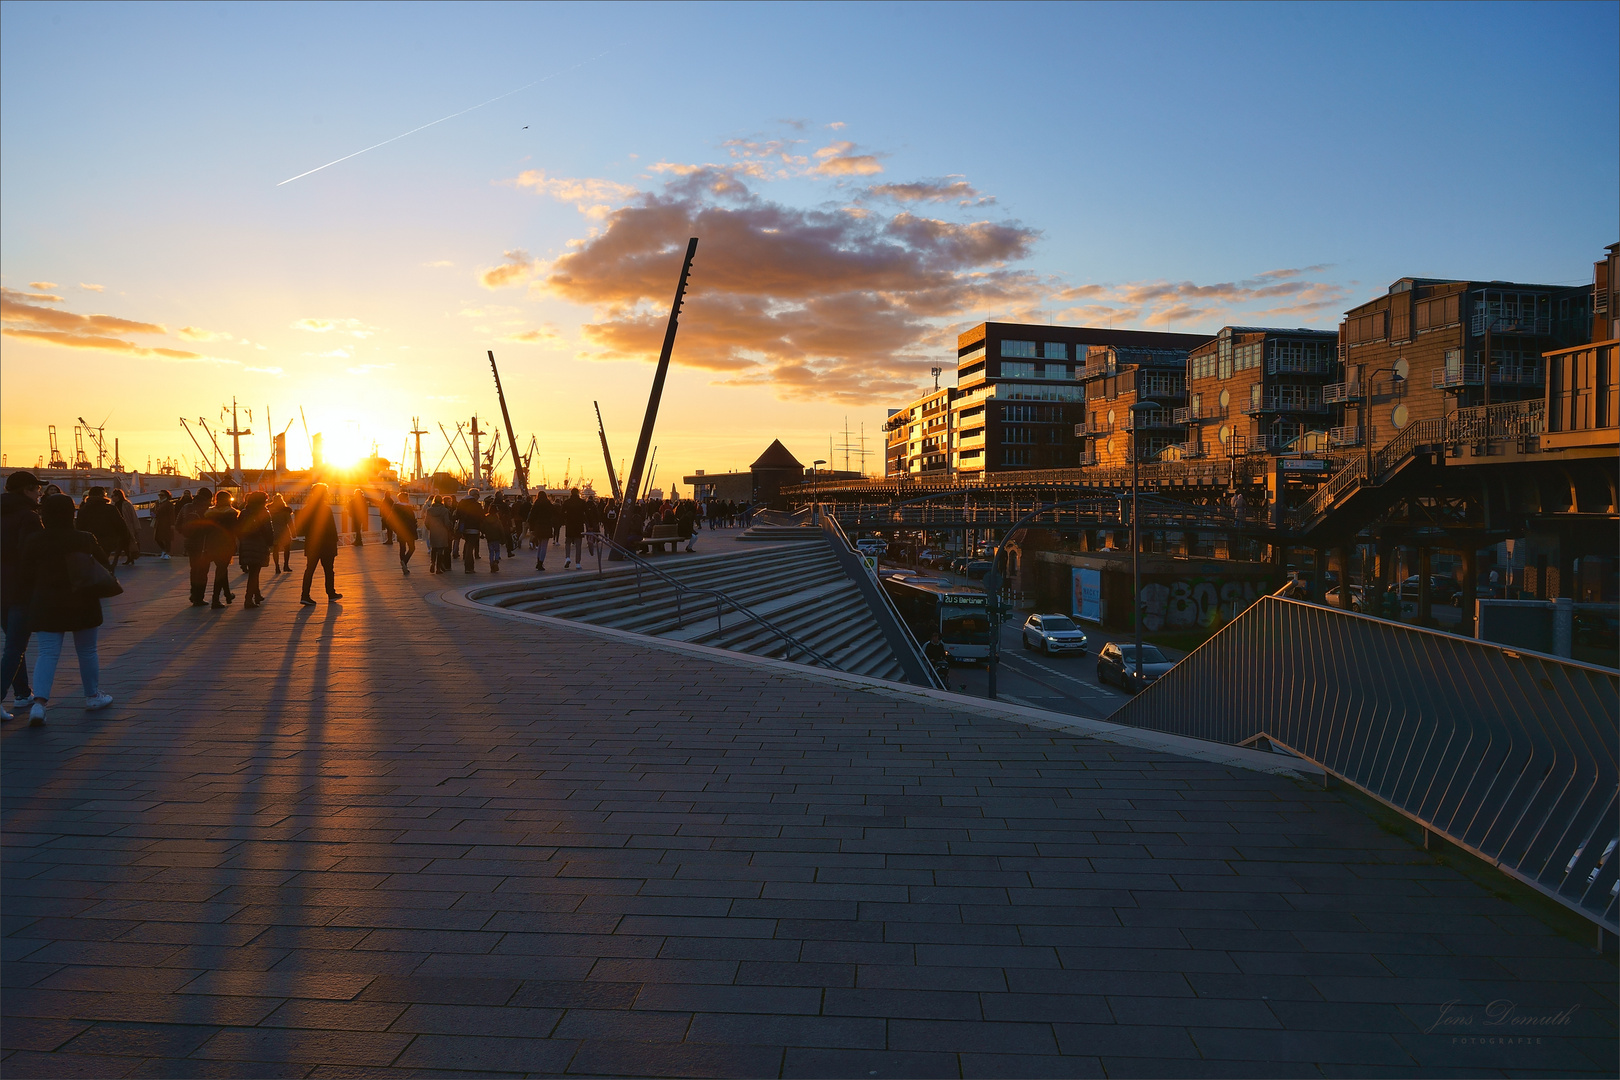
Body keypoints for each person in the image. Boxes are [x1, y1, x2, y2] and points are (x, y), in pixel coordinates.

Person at [19, 493, 114, 724]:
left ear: (45, 514)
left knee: (47, 653)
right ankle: (92, 696)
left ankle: (39, 705)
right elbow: (104, 564)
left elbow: (25, 574)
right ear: (72, 513)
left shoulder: (34, 540)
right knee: (87, 651)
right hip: (83, 602)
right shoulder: (84, 538)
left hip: (46, 603)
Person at [1, 471, 44, 721]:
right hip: (20, 588)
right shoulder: (28, 517)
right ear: (27, 489)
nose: (39, 492)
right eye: (36, 488)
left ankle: (22, 694)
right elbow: (33, 554)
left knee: (13, 645)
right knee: (15, 646)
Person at [297, 483, 342, 604]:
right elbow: (331, 529)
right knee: (328, 570)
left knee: (309, 570)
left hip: (312, 544)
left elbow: (302, 528)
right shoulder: (326, 509)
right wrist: (335, 543)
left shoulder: (307, 509)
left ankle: (305, 595)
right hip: (326, 544)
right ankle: (331, 593)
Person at [75, 487, 131, 576]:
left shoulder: (83, 510)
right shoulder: (110, 509)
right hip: (108, 541)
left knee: (93, 563)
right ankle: (104, 577)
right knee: (104, 562)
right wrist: (125, 538)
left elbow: (79, 527)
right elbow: (121, 526)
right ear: (103, 495)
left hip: (89, 541)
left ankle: (95, 578)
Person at [202, 490, 240, 608]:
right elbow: (236, 530)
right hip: (226, 544)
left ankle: (228, 595)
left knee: (221, 569)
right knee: (221, 570)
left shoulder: (209, 513)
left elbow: (206, 530)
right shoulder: (232, 514)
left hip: (212, 544)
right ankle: (215, 599)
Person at [235, 492, 273, 607]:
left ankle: (257, 594)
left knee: (253, 570)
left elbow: (238, 529)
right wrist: (270, 542)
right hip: (259, 544)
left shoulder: (244, 513)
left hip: (246, 544)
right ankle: (248, 598)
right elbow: (268, 530)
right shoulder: (264, 512)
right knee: (254, 573)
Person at [177, 488, 213, 606]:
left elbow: (178, 524)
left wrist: (187, 533)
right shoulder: (208, 509)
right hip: (204, 543)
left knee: (194, 569)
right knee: (203, 571)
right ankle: (199, 597)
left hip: (190, 543)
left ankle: (193, 594)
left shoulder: (186, 507)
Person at [385, 494, 417, 576]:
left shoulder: (395, 508)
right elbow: (413, 520)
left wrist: (396, 530)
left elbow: (389, 520)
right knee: (412, 548)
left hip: (400, 531)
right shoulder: (408, 508)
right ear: (405, 499)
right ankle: (404, 562)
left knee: (402, 548)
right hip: (409, 531)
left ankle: (404, 566)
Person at [110, 489, 141, 565]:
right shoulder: (113, 505)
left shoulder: (127, 504)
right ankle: (130, 558)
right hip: (117, 528)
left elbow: (133, 516)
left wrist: (136, 528)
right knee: (125, 544)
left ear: (118, 496)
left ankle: (116, 560)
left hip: (127, 528)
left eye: (113, 496)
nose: (112, 498)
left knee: (122, 544)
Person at [455, 489, 484, 573]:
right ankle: (469, 567)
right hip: (474, 528)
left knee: (468, 544)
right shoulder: (476, 505)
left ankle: (468, 565)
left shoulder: (461, 503)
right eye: (478, 495)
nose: (478, 497)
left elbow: (457, 515)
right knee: (470, 547)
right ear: (475, 495)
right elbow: (481, 517)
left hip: (464, 528)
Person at [425, 496, 454, 574]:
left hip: (433, 531)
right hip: (442, 531)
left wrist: (430, 528)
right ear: (441, 501)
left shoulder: (429, 510)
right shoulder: (444, 510)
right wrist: (450, 527)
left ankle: (432, 563)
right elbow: (446, 522)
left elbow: (426, 522)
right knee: (441, 550)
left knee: (434, 549)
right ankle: (438, 568)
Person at [268, 493, 295, 573]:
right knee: (287, 549)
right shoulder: (285, 510)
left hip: (274, 532)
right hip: (284, 532)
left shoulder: (269, 510)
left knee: (275, 550)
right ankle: (286, 565)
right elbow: (289, 522)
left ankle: (277, 567)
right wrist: (293, 532)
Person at [561, 488, 585, 569]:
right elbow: (586, 514)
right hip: (579, 525)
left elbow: (562, 512)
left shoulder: (567, 502)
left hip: (570, 524)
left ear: (571, 493)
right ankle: (578, 563)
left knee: (568, 542)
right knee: (578, 544)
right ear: (578, 493)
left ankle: (567, 557)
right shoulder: (582, 502)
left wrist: (565, 519)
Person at [152, 490, 177, 560]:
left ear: (166, 496)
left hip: (166, 524)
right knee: (157, 538)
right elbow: (154, 512)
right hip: (158, 523)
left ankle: (166, 553)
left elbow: (172, 515)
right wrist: (153, 514)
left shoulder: (168, 504)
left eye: (162, 495)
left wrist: (172, 524)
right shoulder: (158, 503)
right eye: (159, 495)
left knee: (167, 539)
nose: (160, 496)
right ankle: (164, 551)